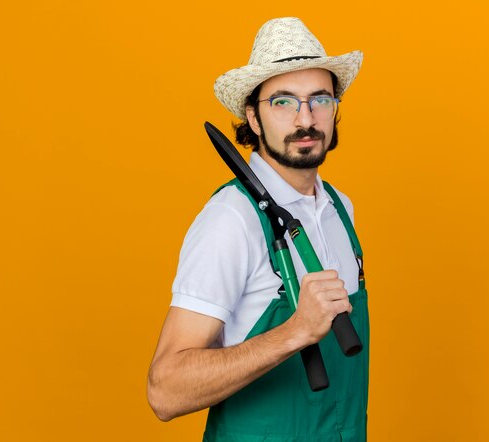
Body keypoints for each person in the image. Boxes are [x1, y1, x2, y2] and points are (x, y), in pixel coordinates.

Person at [148, 17, 369, 441]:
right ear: (252, 115)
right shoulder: (231, 220)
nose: (305, 119)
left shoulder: (341, 209)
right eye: (282, 102)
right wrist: (294, 331)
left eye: (319, 99)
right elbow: (165, 390)